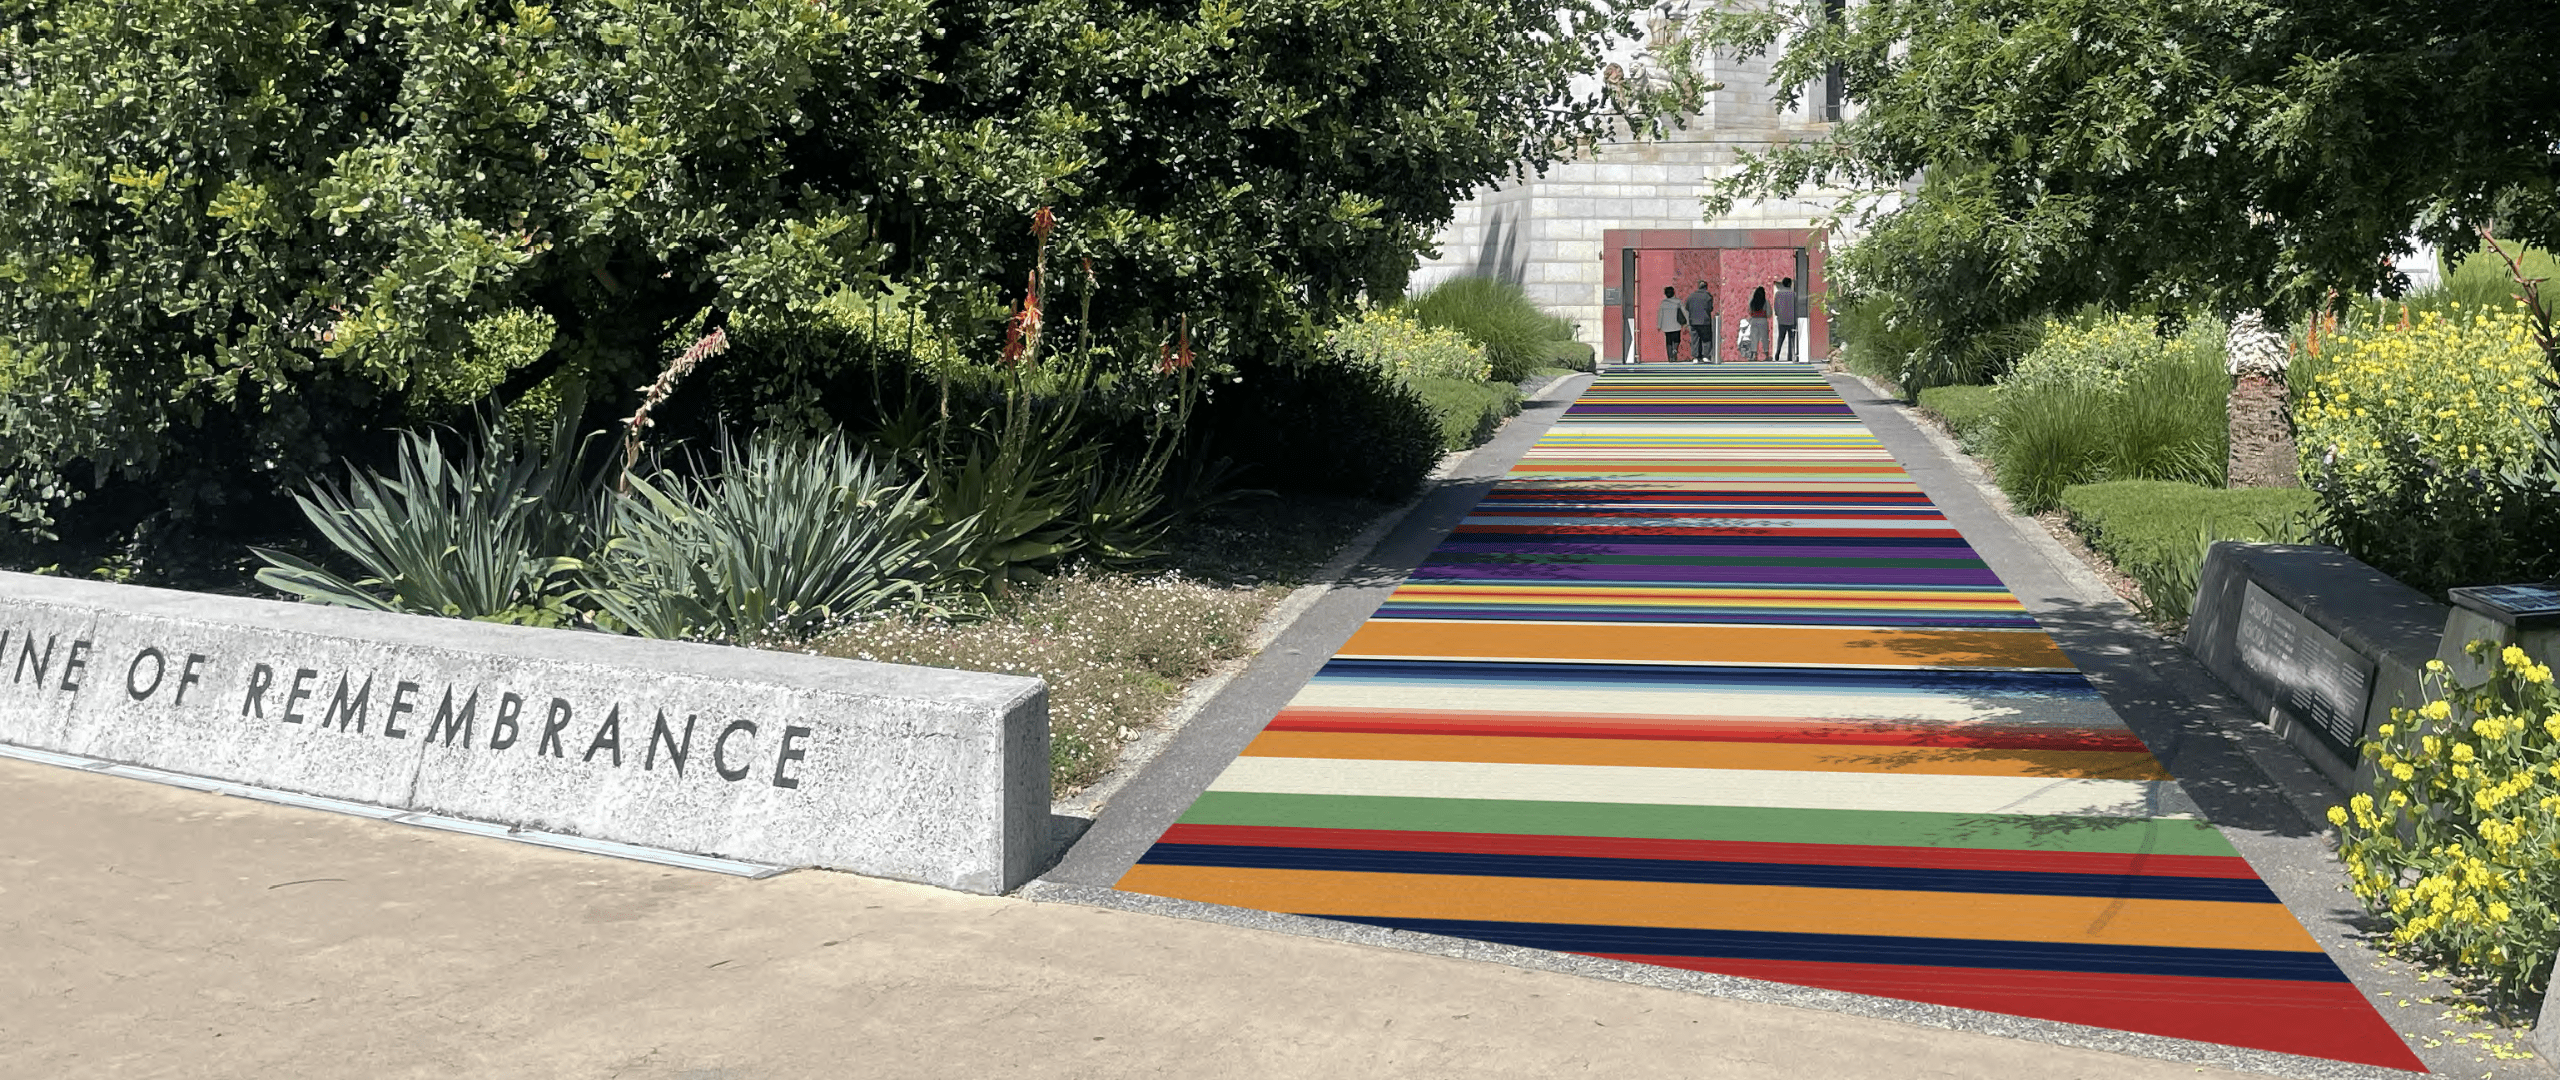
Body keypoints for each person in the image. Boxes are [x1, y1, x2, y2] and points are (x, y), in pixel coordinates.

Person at [1683, 280, 1716, 361]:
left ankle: (1696, 356)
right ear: (1706, 287)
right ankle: (1706, 355)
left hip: (1693, 321)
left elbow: (1687, 307)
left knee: (1695, 339)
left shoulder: (1691, 296)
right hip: (1705, 320)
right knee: (1706, 338)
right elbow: (1710, 308)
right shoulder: (1708, 296)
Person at [1655, 285, 1686, 363]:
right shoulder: (1678, 302)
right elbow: (1684, 312)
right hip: (1676, 324)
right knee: (1677, 339)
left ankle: (1670, 358)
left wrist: (1659, 325)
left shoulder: (1663, 303)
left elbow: (1660, 314)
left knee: (1668, 341)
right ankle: (1675, 349)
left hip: (1666, 326)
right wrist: (1687, 322)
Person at [1773, 276, 1800, 362]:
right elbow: (1796, 307)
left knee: (1781, 337)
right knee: (1791, 338)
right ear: (1790, 284)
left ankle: (1778, 352)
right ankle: (1790, 356)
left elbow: (1776, 306)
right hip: (1792, 319)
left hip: (1782, 319)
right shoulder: (1794, 294)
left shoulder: (1778, 294)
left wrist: (1778, 314)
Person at [1743, 285, 1769, 362]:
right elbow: (1769, 313)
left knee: (1754, 338)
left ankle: (1754, 354)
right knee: (1764, 338)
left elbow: (1750, 311)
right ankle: (1766, 354)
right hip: (1763, 320)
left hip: (1754, 320)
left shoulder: (1752, 301)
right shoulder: (1765, 302)